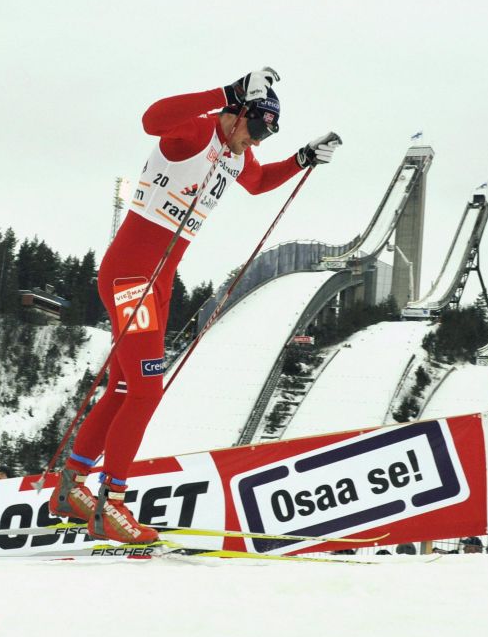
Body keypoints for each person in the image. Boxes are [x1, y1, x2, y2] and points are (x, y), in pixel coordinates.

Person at [50, 70, 341, 543]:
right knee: (146, 391)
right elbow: (151, 118)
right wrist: (226, 91)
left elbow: (262, 180)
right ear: (238, 113)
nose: (256, 142)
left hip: (157, 280)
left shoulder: (234, 154)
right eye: (257, 129)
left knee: (127, 388)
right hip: (132, 275)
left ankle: (72, 488)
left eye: (267, 135)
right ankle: (112, 503)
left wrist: (302, 159)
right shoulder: (198, 130)